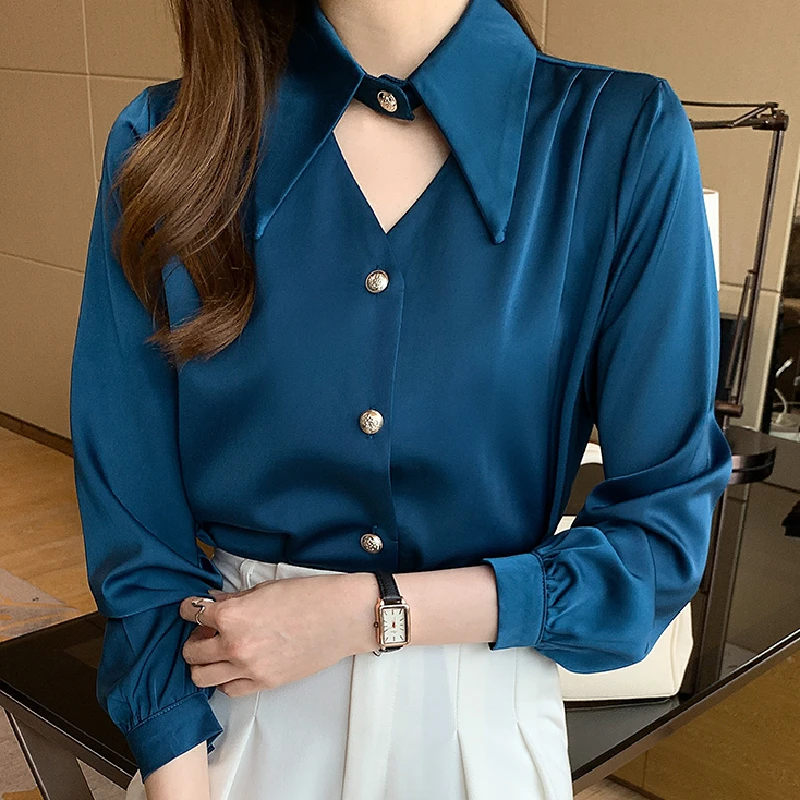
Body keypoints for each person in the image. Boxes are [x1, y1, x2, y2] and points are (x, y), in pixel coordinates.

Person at [68, 0, 733, 797]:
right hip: (230, 726)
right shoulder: (166, 139)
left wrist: (369, 613)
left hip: (478, 735)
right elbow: (135, 529)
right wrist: (181, 779)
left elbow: (657, 542)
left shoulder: (619, 138)